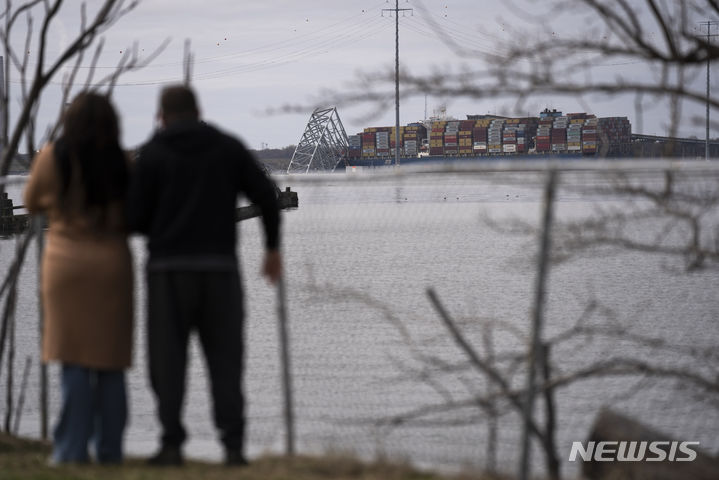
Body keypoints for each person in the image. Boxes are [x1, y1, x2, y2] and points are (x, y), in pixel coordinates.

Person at [126, 84, 282, 467]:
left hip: (167, 273)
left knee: (168, 362)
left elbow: (133, 219)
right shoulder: (228, 147)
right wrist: (271, 249)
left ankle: (171, 444)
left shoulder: (153, 154)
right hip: (220, 272)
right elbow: (266, 196)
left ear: (161, 115)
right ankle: (232, 447)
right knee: (225, 362)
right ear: (199, 110)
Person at [23, 92, 133, 464]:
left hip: (65, 265)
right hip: (112, 265)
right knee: (110, 362)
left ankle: (70, 450)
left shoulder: (53, 156)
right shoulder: (122, 160)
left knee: (72, 358)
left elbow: (32, 200)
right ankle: (110, 450)